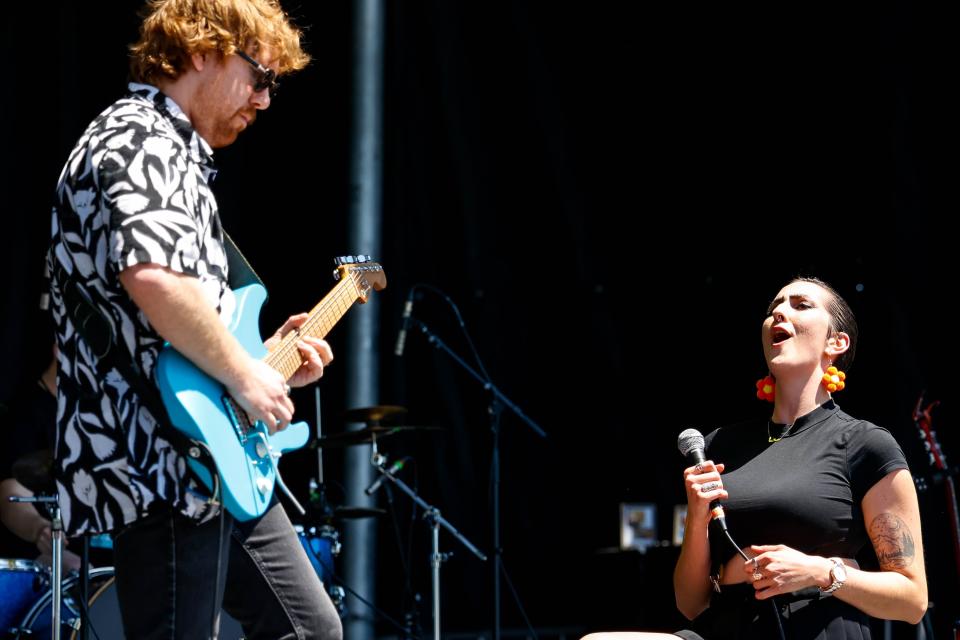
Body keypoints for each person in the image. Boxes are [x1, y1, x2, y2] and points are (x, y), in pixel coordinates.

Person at [47, 1, 342, 638]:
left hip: (205, 459)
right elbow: (151, 277)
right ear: (203, 50)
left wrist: (266, 365)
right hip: (162, 466)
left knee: (309, 628)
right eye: (261, 78)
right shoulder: (139, 137)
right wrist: (243, 371)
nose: (264, 101)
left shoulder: (165, 146)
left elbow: (168, 323)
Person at [584, 277, 927, 639]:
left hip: (812, 625)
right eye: (773, 308)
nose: (778, 312)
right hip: (727, 625)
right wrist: (698, 515)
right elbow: (690, 603)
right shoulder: (719, 446)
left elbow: (912, 600)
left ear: (836, 342)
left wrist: (820, 572)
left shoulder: (865, 444)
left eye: (801, 305)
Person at [0, 343, 81, 571]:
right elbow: (11, 496)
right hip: (49, 566)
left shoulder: (97, 419)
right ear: (59, 349)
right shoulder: (26, 413)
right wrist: (40, 530)